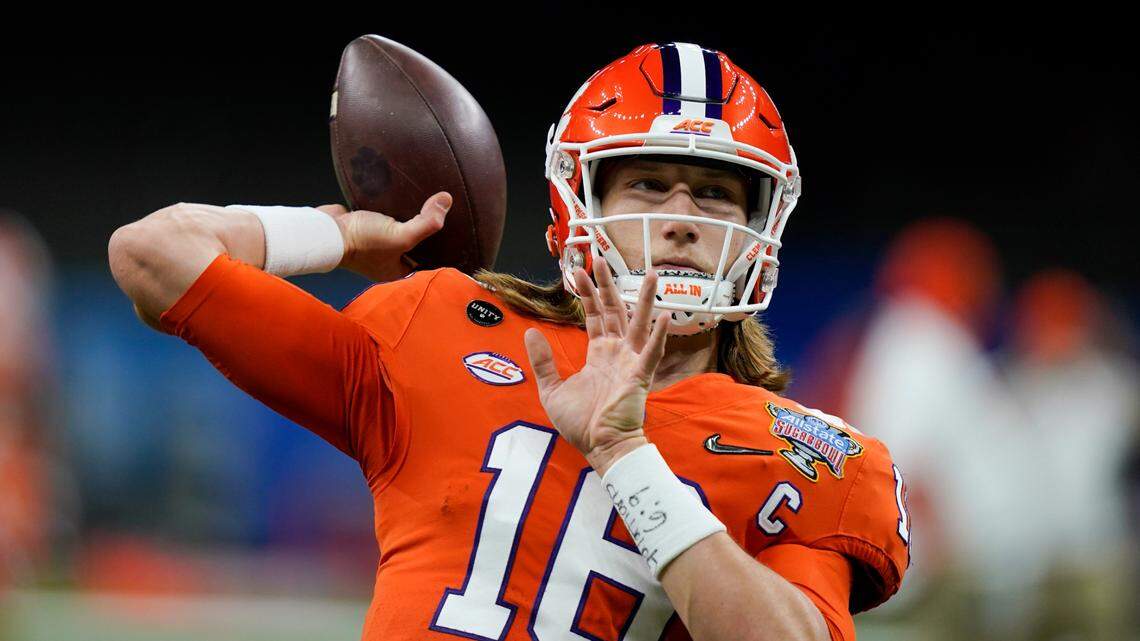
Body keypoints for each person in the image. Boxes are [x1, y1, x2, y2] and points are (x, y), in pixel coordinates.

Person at [108, 43, 909, 641]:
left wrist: (625, 453)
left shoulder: (799, 452)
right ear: (577, 206)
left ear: (760, 226)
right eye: (646, 184)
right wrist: (338, 233)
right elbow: (153, 255)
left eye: (713, 193)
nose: (680, 219)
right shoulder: (441, 327)